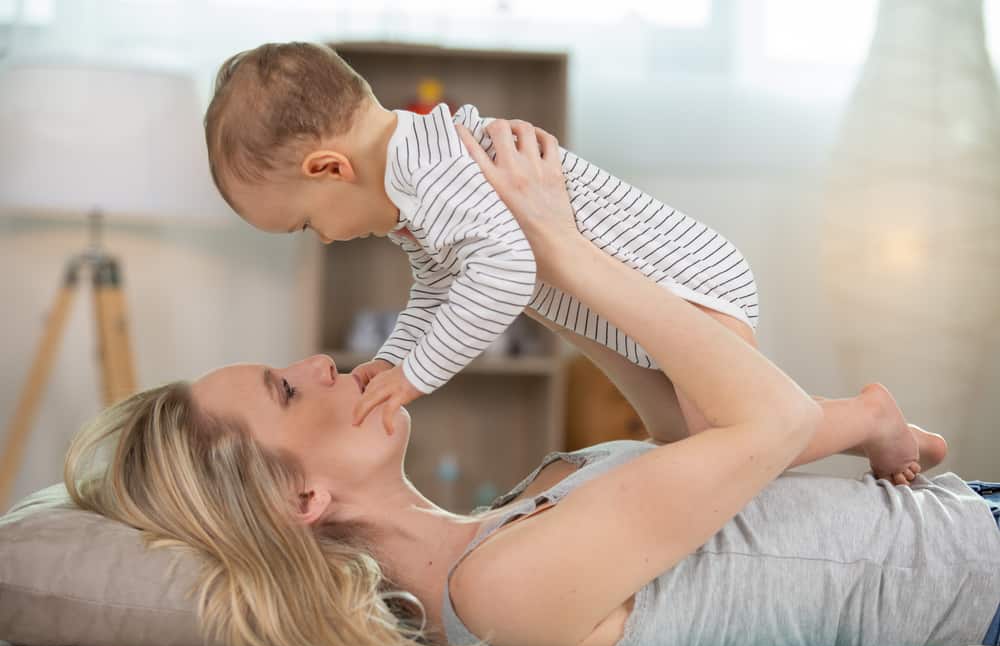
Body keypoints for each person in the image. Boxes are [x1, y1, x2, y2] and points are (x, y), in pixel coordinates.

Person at [65, 116, 1000, 646]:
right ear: (302, 500)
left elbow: (703, 443)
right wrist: (563, 249)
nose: (316, 365)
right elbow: (778, 416)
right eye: (283, 389)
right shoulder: (500, 588)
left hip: (968, 523)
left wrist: (527, 269)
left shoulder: (502, 521)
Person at [201, 41, 944, 485]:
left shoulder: (433, 171)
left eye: (305, 223)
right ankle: (865, 422)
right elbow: (438, 286)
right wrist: (390, 363)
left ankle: (867, 417)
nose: (325, 239)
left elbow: (501, 275)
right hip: (636, 314)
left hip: (684, 286)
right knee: (681, 441)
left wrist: (420, 374)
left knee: (736, 441)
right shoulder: (409, 189)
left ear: (331, 168)